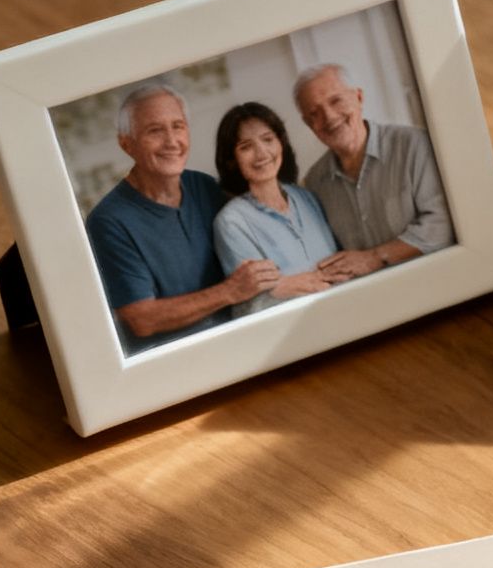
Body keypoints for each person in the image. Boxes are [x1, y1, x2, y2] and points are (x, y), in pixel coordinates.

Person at [84, 83, 277, 355]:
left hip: (242, 342)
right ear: (126, 143)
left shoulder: (204, 187)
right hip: (180, 361)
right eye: (155, 130)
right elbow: (142, 319)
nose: (172, 141)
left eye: (178, 126)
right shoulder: (107, 221)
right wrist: (229, 292)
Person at [293, 63, 454, 278]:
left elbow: (444, 222)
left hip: (438, 279)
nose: (329, 117)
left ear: (358, 98)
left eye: (336, 100)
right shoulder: (314, 183)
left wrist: (375, 258)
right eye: (315, 113)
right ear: (309, 124)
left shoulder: (415, 144)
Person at [210, 102, 347, 316]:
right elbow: (247, 308)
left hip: (344, 310)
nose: (261, 153)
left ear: (281, 143)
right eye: (246, 146)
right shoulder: (231, 222)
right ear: (231, 161)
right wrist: (289, 287)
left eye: (268, 139)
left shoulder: (306, 197)